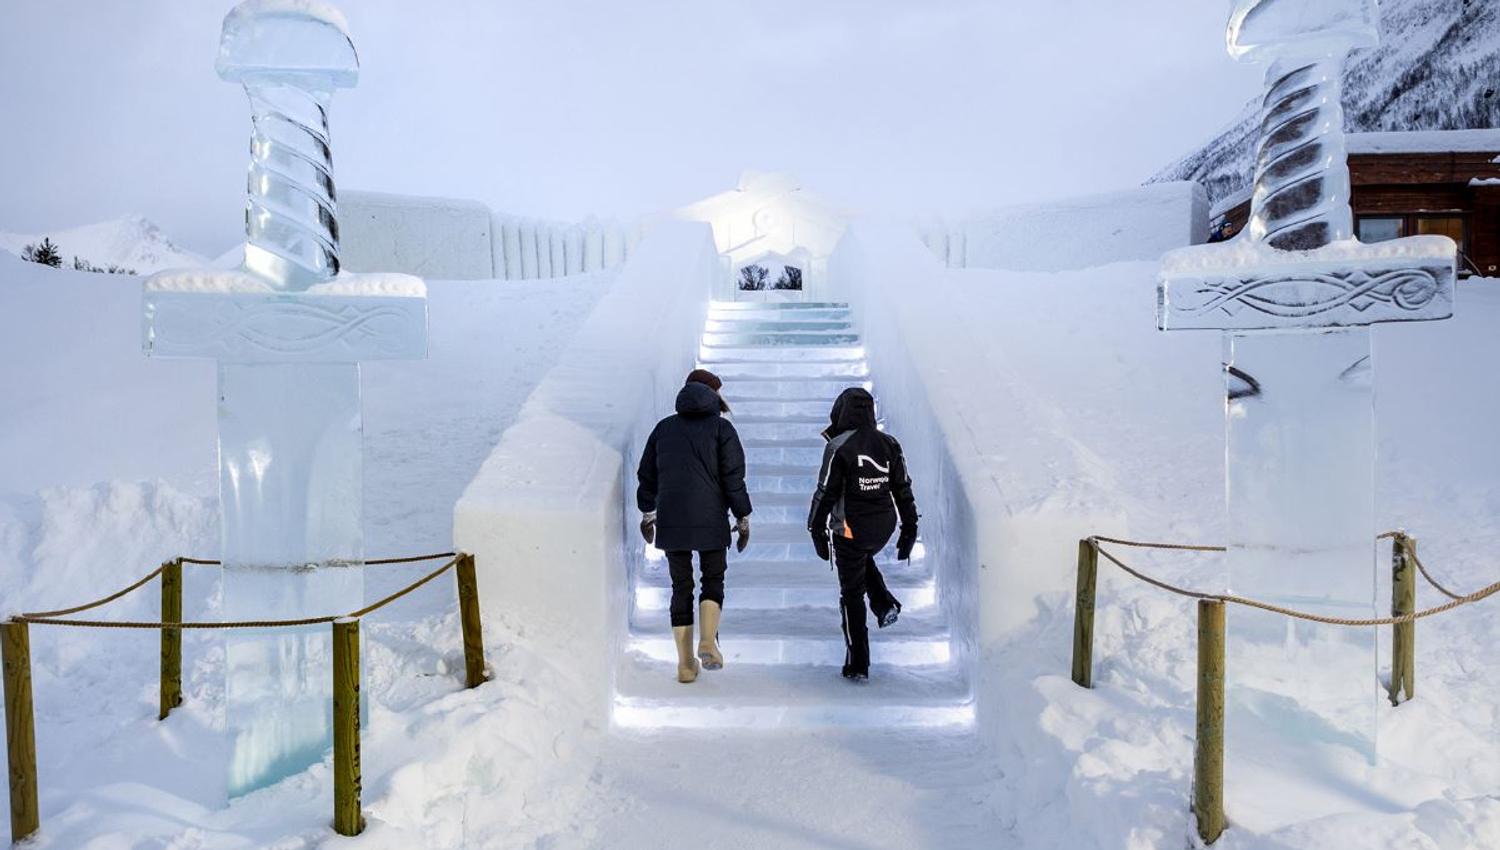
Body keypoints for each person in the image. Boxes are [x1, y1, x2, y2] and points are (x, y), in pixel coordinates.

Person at [637, 369, 752, 684]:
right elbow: (733, 478)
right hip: (711, 517)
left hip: (672, 520)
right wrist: (742, 517)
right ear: (715, 395)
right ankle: (707, 641)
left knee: (680, 587)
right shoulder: (722, 429)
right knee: (712, 578)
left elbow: (647, 474)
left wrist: (647, 513)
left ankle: (685, 664)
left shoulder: (663, 429)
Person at [807, 387, 919, 681]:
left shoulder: (839, 446)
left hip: (850, 527)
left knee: (852, 594)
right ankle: (883, 604)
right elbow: (903, 489)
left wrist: (816, 530)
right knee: (860, 559)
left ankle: (858, 663)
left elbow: (825, 493)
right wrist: (909, 530)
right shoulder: (890, 443)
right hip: (884, 525)